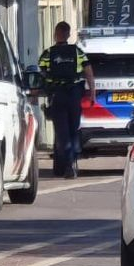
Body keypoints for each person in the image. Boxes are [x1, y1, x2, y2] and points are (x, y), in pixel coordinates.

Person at [41, 21, 95, 178]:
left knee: (62, 132)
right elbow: (88, 72)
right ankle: (72, 160)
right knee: (73, 129)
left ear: (55, 34)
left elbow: (41, 74)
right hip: (74, 95)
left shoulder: (48, 54)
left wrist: (41, 90)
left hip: (57, 96)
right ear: (68, 34)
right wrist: (92, 92)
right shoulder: (77, 52)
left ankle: (68, 164)